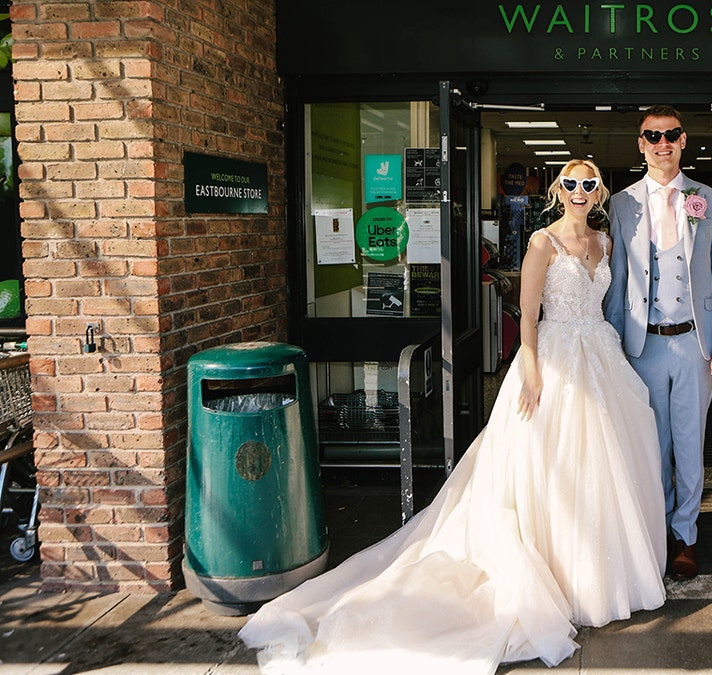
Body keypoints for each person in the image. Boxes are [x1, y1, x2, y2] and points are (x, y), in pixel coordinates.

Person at [239, 159, 667, 674]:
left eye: (589, 184)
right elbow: (528, 316)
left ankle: (594, 575)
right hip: (553, 359)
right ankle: (555, 574)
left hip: (599, 356)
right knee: (544, 468)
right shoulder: (541, 243)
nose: (579, 191)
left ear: (599, 193)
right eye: (570, 183)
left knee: (598, 470)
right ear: (558, 189)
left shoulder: (605, 243)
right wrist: (532, 372)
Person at [604, 105, 712, 581]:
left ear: (684, 141)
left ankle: (686, 536)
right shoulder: (621, 204)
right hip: (642, 346)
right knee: (650, 446)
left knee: (689, 444)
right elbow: (617, 282)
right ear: (640, 143)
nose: (662, 143)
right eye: (652, 136)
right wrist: (612, 345)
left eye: (671, 135)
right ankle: (656, 532)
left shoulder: (709, 199)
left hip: (692, 344)